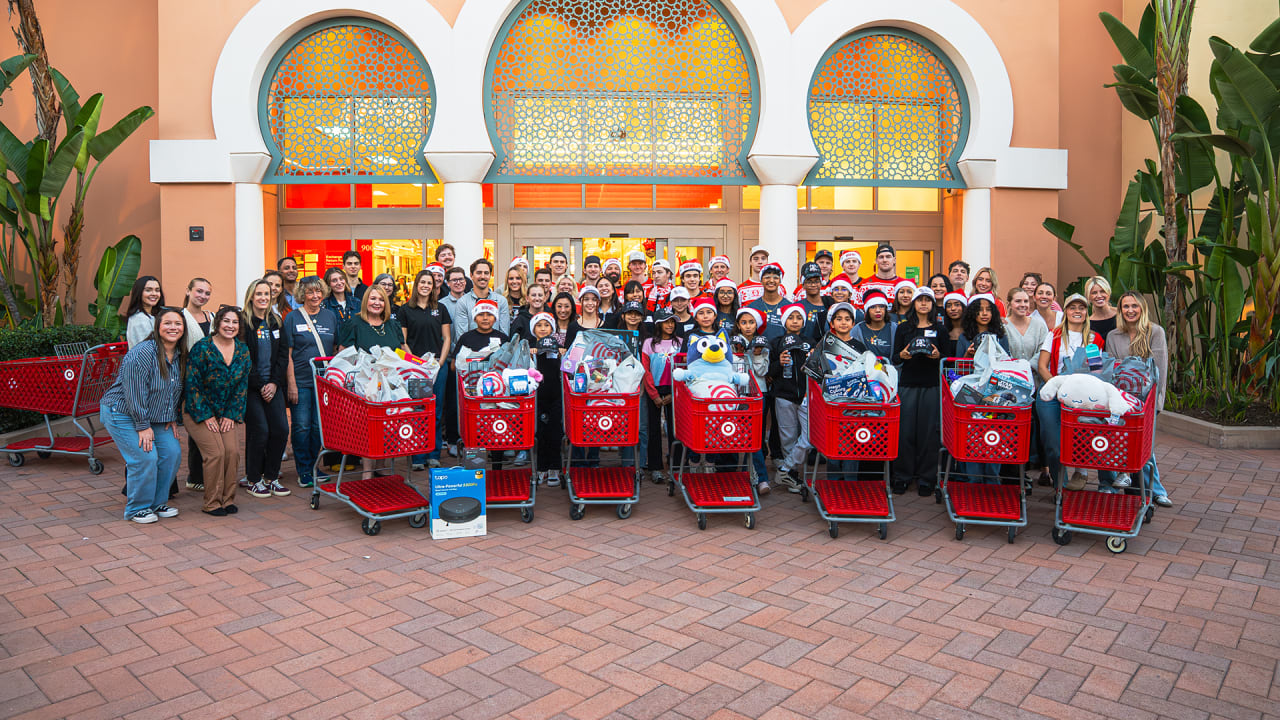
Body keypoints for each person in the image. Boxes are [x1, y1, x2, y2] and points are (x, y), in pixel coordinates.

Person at [101, 309, 187, 524]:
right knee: (145, 457)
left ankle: (157, 503)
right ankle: (136, 508)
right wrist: (142, 425)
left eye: (178, 323)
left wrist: (171, 417)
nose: (173, 327)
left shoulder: (179, 355)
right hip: (122, 411)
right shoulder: (142, 353)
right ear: (157, 327)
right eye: (168, 323)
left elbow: (172, 390)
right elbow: (134, 393)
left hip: (154, 415)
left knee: (172, 453)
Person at [1104, 291, 1172, 506]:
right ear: (1120, 310)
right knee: (1121, 442)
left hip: (1147, 399)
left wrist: (1157, 403)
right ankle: (1123, 478)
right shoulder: (1113, 336)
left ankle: (1156, 490)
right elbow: (1112, 369)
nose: (1130, 310)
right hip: (1121, 398)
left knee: (1144, 446)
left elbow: (1160, 370)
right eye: (1125, 306)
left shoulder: (1155, 332)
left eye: (1134, 306)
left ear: (1142, 308)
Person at [184, 306, 250, 517]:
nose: (230, 326)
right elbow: (192, 386)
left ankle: (227, 499)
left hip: (227, 413)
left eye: (234, 322)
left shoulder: (242, 350)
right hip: (198, 411)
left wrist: (231, 414)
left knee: (232, 452)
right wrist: (206, 416)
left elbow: (241, 387)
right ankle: (212, 502)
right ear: (218, 323)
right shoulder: (202, 348)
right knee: (216, 454)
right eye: (226, 321)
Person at [1036, 293, 1105, 491]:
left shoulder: (1093, 338)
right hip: (1052, 391)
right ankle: (1060, 485)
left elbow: (1096, 370)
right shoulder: (1055, 334)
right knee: (1052, 442)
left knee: (1080, 435)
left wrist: (1077, 393)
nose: (1077, 311)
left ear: (1086, 312)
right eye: (1072, 307)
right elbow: (1042, 366)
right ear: (1065, 311)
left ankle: (1080, 472)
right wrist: (1059, 386)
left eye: (1081, 308)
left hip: (1081, 396)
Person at [282, 276, 338, 489]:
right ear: (302, 295)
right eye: (310, 292)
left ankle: (315, 466)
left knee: (318, 427)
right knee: (302, 426)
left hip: (324, 383)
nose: (315, 296)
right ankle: (303, 470)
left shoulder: (330, 316)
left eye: (318, 292)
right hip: (301, 381)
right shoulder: (293, 318)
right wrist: (292, 383)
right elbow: (287, 354)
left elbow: (335, 350)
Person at [240, 280, 290, 500]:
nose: (263, 297)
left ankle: (271, 477)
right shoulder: (244, 323)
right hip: (252, 388)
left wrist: (274, 383)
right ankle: (253, 479)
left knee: (280, 430)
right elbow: (243, 358)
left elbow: (282, 355)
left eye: (266, 293)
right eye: (258, 293)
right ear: (251, 296)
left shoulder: (275, 321)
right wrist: (260, 385)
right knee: (260, 431)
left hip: (273, 385)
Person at [891, 287, 943, 496]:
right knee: (904, 433)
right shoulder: (904, 328)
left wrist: (938, 355)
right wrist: (902, 355)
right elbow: (895, 357)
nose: (923, 304)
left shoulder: (940, 329)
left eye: (927, 300)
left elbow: (946, 357)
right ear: (913, 303)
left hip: (931, 385)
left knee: (928, 434)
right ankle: (902, 477)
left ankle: (926, 479)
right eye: (919, 300)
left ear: (932, 304)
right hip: (908, 385)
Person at [401, 269, 452, 469]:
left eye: (429, 283)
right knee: (417, 411)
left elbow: (447, 338)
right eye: (422, 282)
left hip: (437, 367)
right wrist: (417, 364)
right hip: (415, 369)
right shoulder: (406, 310)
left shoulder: (440, 308)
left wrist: (439, 363)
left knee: (436, 411)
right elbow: (403, 341)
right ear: (416, 285)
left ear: (434, 286)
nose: (426, 286)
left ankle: (433, 453)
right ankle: (418, 457)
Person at [1005, 287, 1051, 488]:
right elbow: (1002, 353)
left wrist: (1025, 367)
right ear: (1010, 303)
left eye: (1025, 301)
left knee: (1036, 430)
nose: (1022, 305)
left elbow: (1043, 351)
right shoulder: (1002, 325)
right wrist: (1016, 370)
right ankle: (1017, 475)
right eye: (1018, 301)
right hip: (1011, 387)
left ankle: (1039, 471)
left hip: (1035, 384)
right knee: (1014, 431)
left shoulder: (1039, 326)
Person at [769, 304, 814, 492]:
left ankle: (784, 469)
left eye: (799, 318)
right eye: (791, 317)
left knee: (810, 437)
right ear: (784, 321)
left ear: (803, 322)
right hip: (783, 396)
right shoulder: (776, 342)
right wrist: (779, 363)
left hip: (805, 397)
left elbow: (819, 370)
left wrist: (813, 358)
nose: (795, 321)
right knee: (787, 438)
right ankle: (791, 476)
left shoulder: (810, 342)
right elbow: (769, 372)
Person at [641, 308, 680, 485]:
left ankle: (676, 466)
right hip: (654, 389)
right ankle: (655, 467)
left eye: (672, 321)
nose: (670, 325)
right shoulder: (649, 343)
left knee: (675, 429)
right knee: (653, 430)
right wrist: (654, 394)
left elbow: (683, 368)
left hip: (674, 390)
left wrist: (674, 393)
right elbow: (645, 370)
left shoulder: (680, 342)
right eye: (666, 321)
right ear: (658, 324)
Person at [529, 311, 563, 486]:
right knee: (540, 432)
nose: (543, 329)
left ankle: (555, 468)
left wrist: (562, 353)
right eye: (539, 325)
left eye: (547, 325)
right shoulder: (530, 348)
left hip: (556, 396)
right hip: (538, 398)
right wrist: (530, 352)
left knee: (555, 432)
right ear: (533, 329)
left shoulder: (558, 348)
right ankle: (541, 468)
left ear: (552, 328)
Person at [440, 266, 469, 456]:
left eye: (461, 279)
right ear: (447, 283)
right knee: (452, 402)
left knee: (470, 402)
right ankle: (451, 440)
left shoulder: (472, 301)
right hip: (451, 358)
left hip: (473, 359)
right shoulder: (442, 304)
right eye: (454, 279)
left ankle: (469, 439)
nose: (458, 282)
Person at [336, 286, 407, 353]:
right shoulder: (352, 324)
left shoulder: (394, 325)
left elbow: (403, 353)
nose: (377, 303)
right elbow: (343, 357)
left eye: (381, 300)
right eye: (373, 298)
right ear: (365, 301)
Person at [454, 259, 511, 337]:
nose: (483, 276)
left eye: (486, 273)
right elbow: (462, 337)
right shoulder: (463, 302)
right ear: (471, 275)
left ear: (490, 276)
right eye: (479, 273)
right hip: (471, 348)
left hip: (497, 348)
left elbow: (504, 334)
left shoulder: (501, 301)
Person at [748, 263, 788, 339]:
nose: (771, 281)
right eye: (767, 277)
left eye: (775, 278)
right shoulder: (752, 307)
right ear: (761, 280)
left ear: (780, 281)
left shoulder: (788, 306)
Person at [124, 276, 165, 348]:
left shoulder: (152, 315)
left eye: (157, 290)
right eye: (148, 290)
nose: (154, 294)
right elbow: (148, 349)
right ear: (139, 292)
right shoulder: (140, 319)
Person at [850, 292, 895, 357]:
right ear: (867, 310)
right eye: (873, 307)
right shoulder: (857, 330)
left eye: (881, 306)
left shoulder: (894, 328)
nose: (878, 310)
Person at [940, 292, 967, 358]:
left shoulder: (971, 330)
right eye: (949, 306)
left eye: (957, 305)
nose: (953, 308)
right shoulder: (942, 330)